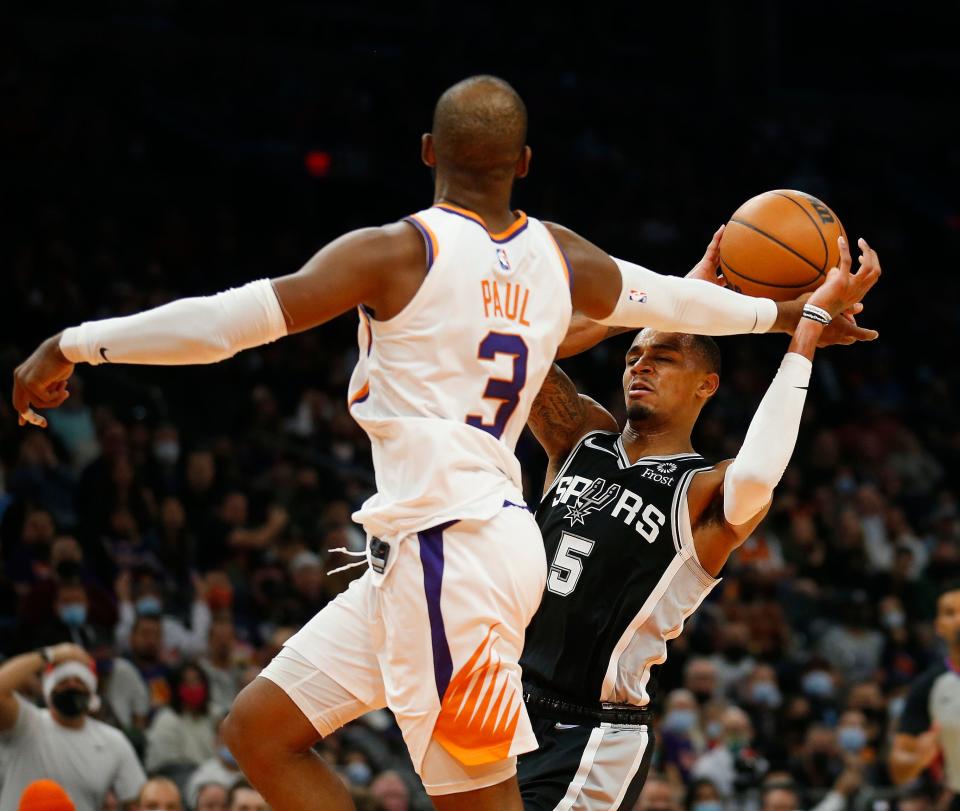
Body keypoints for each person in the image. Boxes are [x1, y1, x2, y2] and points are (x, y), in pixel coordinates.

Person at [13, 75, 873, 811]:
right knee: (261, 731)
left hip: (453, 553)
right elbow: (671, 306)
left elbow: (225, 324)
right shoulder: (556, 255)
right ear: (524, 166)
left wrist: (74, 343)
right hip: (427, 547)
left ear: (427, 150)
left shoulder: (394, 253)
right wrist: (793, 316)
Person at [516, 238, 881, 809]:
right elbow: (517, 346)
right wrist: (663, 301)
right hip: (503, 701)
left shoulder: (703, 492)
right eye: (635, 355)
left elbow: (760, 473)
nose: (641, 365)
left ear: (706, 385)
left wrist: (804, 331)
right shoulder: (579, 437)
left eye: (663, 357)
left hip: (592, 731)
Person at [0, 643, 146, 811]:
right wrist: (50, 655)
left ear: (91, 691)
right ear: (49, 689)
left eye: (79, 681)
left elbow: (138, 802)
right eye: (63, 681)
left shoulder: (114, 741)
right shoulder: (25, 723)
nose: (72, 685)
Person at [889, 581, 960, 808]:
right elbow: (898, 770)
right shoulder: (928, 686)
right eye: (950, 613)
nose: (959, 619)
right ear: (938, 626)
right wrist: (917, 757)